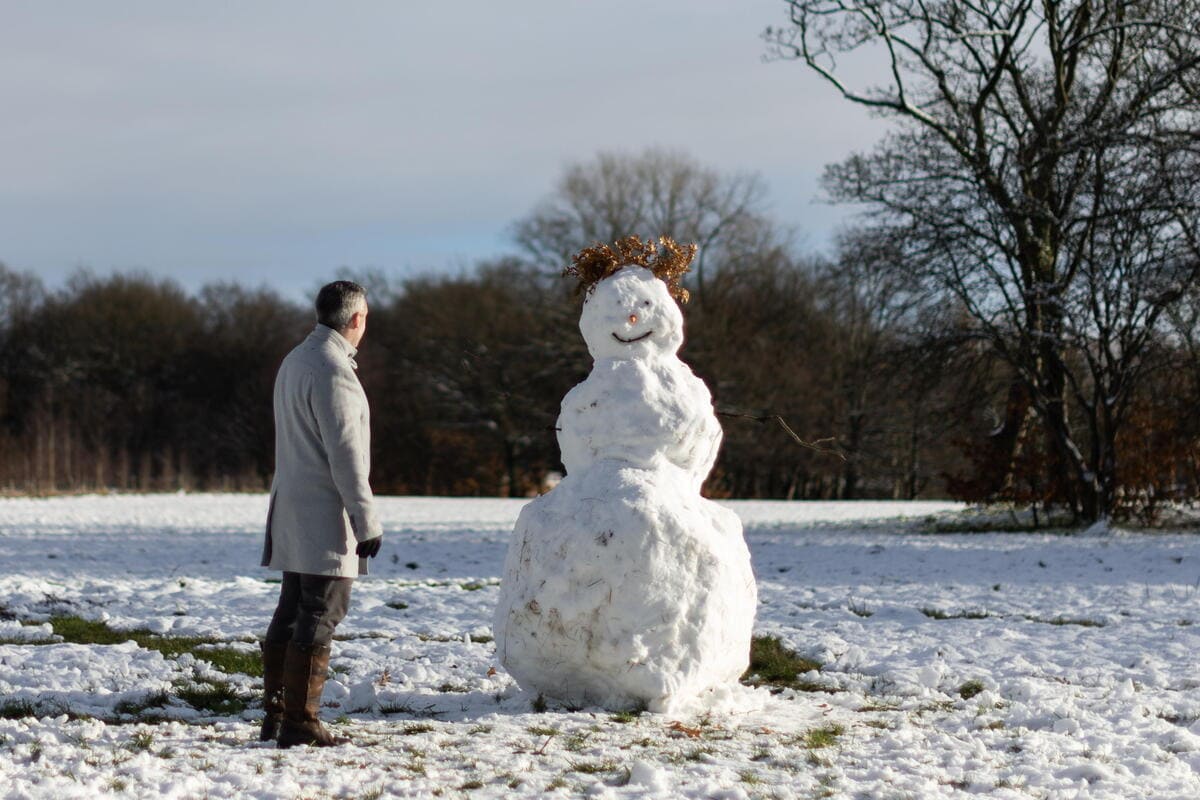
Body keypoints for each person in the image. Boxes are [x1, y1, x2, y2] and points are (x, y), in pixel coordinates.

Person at [258, 280, 384, 748]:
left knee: (292, 609)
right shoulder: (334, 372)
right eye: (366, 317)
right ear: (355, 319)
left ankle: (276, 714)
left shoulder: (296, 360)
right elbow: (347, 457)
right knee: (321, 611)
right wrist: (366, 520)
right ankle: (300, 720)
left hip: (290, 505)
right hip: (324, 514)